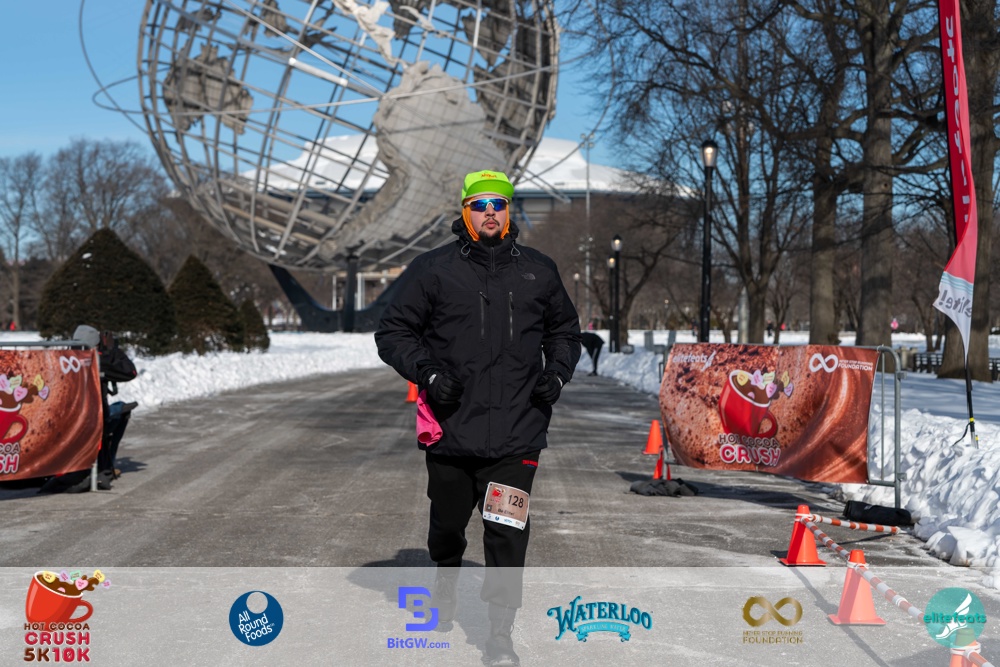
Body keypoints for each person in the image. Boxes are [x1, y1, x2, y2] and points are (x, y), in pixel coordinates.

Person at [375, 169, 581, 666]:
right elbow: (393, 332)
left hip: (518, 433)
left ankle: (499, 635)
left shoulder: (538, 271)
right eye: (480, 204)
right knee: (448, 526)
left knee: (507, 531)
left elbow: (565, 333)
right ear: (464, 211)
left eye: (499, 204)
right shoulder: (433, 269)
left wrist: (556, 376)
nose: (490, 212)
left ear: (509, 212)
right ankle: (445, 577)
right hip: (452, 429)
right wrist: (428, 374)